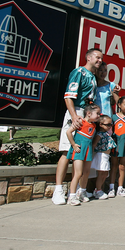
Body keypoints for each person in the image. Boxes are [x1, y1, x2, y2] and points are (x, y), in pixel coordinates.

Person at [52, 48, 103, 206]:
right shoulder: (78, 72)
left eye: (101, 59)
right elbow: (69, 96)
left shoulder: (93, 78)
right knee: (66, 151)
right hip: (76, 112)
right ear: (88, 57)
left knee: (79, 154)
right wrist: (74, 116)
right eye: (97, 57)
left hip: (87, 117)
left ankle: (74, 192)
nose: (99, 61)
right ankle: (58, 190)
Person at [64, 102, 101, 206]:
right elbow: (68, 132)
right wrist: (74, 145)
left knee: (86, 172)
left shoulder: (94, 125)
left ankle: (82, 192)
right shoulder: (80, 122)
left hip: (88, 151)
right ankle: (71, 196)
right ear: (89, 113)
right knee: (78, 173)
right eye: (97, 113)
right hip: (79, 151)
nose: (99, 116)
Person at [108, 96, 125, 197]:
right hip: (116, 144)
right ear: (119, 105)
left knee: (122, 166)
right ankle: (111, 188)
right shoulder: (114, 117)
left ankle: (120, 187)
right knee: (114, 165)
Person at [91, 114, 117, 200]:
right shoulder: (99, 134)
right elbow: (94, 145)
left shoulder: (106, 133)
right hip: (101, 155)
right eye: (108, 124)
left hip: (106, 156)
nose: (110, 126)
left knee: (105, 174)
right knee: (101, 174)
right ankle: (98, 190)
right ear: (101, 124)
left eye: (111, 124)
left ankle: (98, 189)